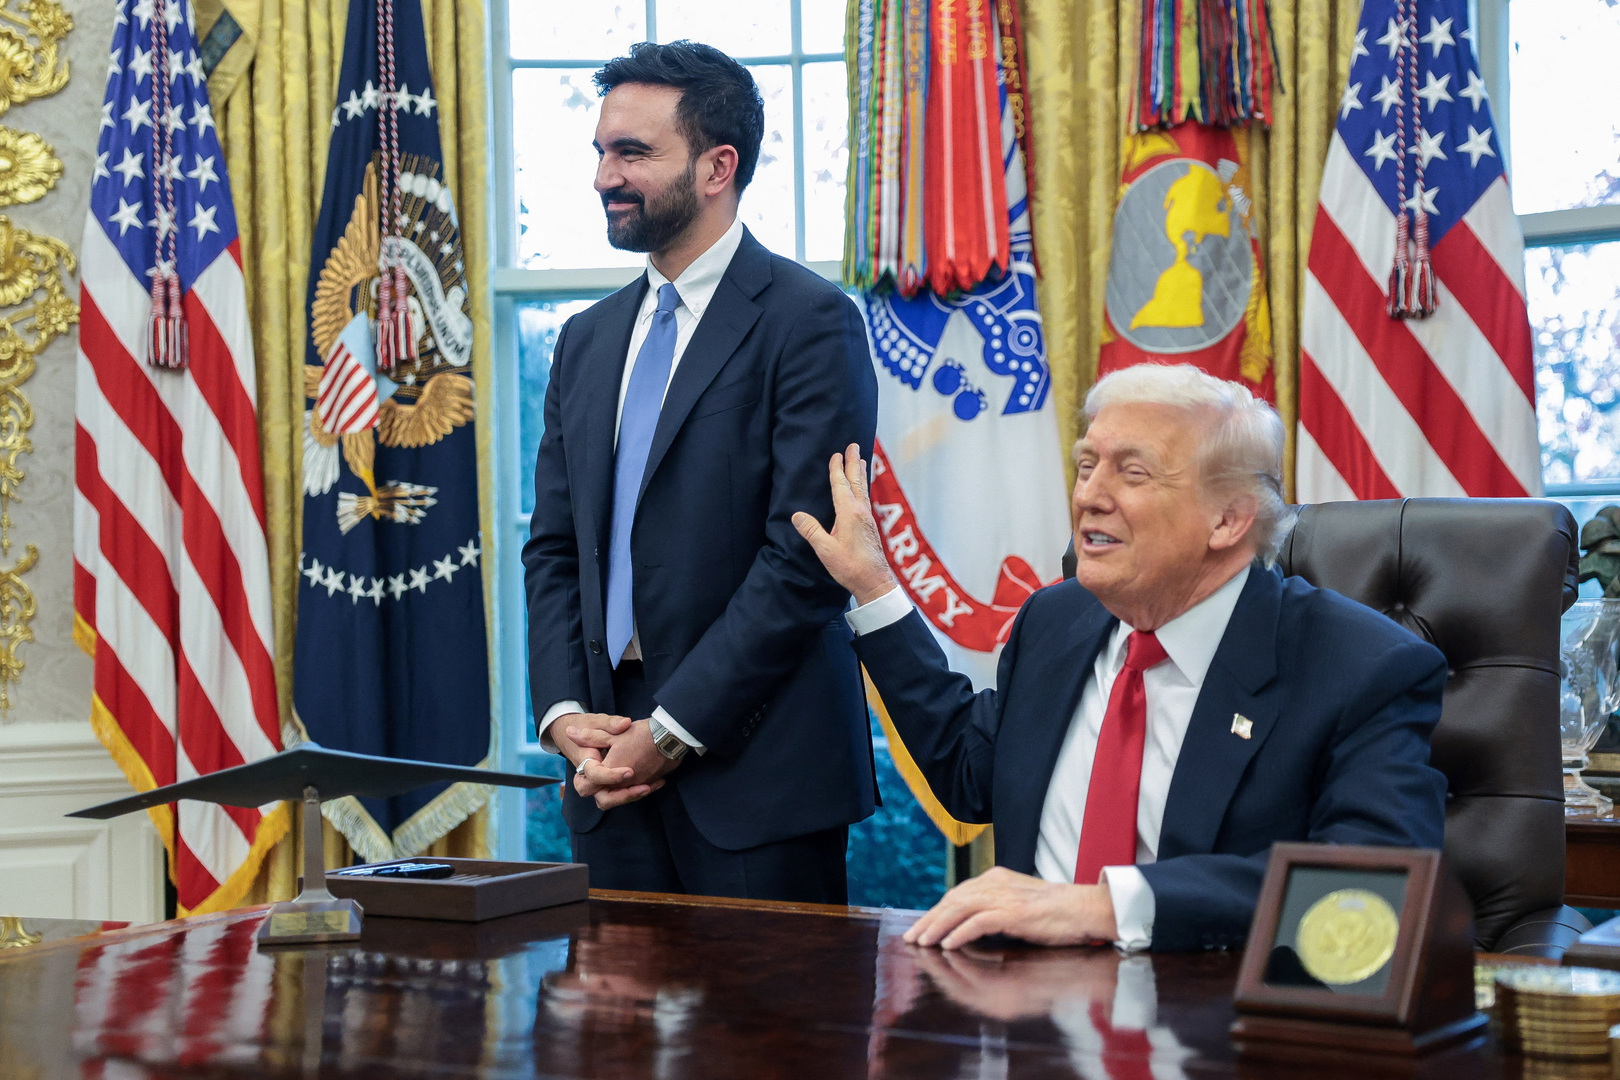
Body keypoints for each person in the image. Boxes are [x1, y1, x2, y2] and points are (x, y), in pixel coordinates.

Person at [792, 363, 1447, 950]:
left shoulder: (1361, 667)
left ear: (1228, 520)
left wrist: (1104, 908)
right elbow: (971, 773)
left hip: (1205, 1029)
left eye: (1131, 472)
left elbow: (1369, 886)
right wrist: (873, 586)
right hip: (1024, 1020)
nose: (1089, 495)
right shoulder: (1056, 619)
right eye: (1085, 465)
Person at [522, 40, 878, 903]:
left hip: (759, 777)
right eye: (601, 151)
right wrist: (566, 715)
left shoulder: (811, 323)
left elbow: (803, 561)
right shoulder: (585, 340)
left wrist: (673, 731)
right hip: (604, 776)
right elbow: (555, 551)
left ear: (719, 166)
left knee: (766, 1044)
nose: (604, 175)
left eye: (633, 153)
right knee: (611, 1041)